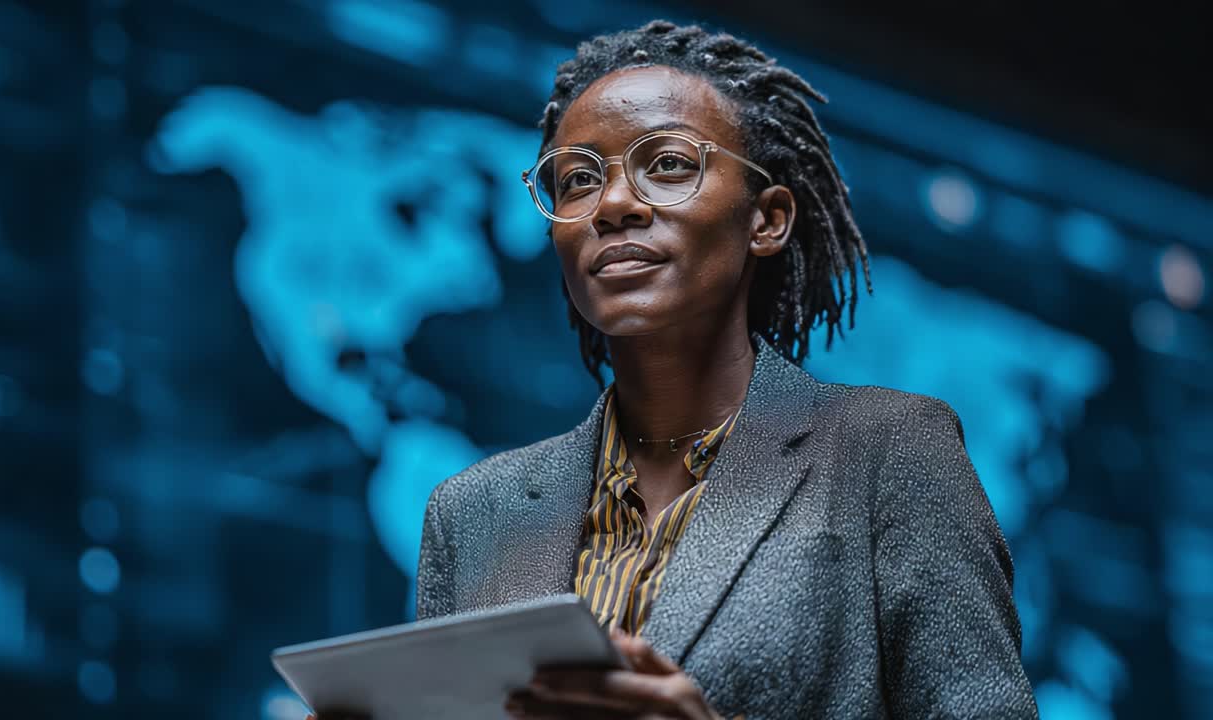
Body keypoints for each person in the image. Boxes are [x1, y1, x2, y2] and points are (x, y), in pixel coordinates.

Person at [322, 18, 1038, 720]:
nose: (613, 205)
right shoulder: (474, 511)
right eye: (576, 180)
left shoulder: (890, 455)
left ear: (767, 219)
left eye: (666, 164)